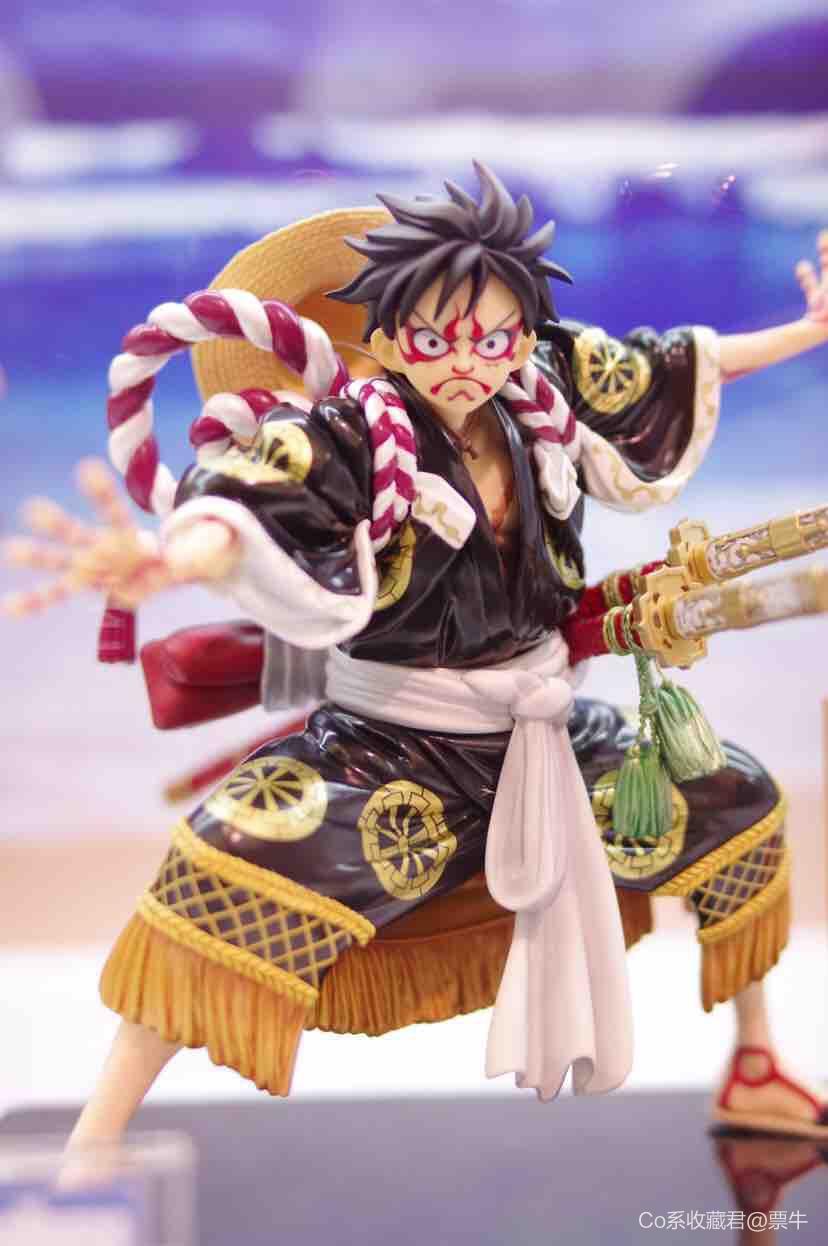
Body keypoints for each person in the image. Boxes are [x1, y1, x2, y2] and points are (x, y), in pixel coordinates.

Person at [6, 164, 828, 1146]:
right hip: (390, 748)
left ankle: (755, 1060)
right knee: (225, 864)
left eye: (495, 338)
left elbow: (665, 365)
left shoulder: (543, 391)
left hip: (546, 729)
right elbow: (246, 505)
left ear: (525, 333)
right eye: (437, 340)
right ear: (389, 336)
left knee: (734, 798)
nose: (468, 362)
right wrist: (166, 557)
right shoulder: (347, 434)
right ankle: (92, 1151)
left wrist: (807, 331)